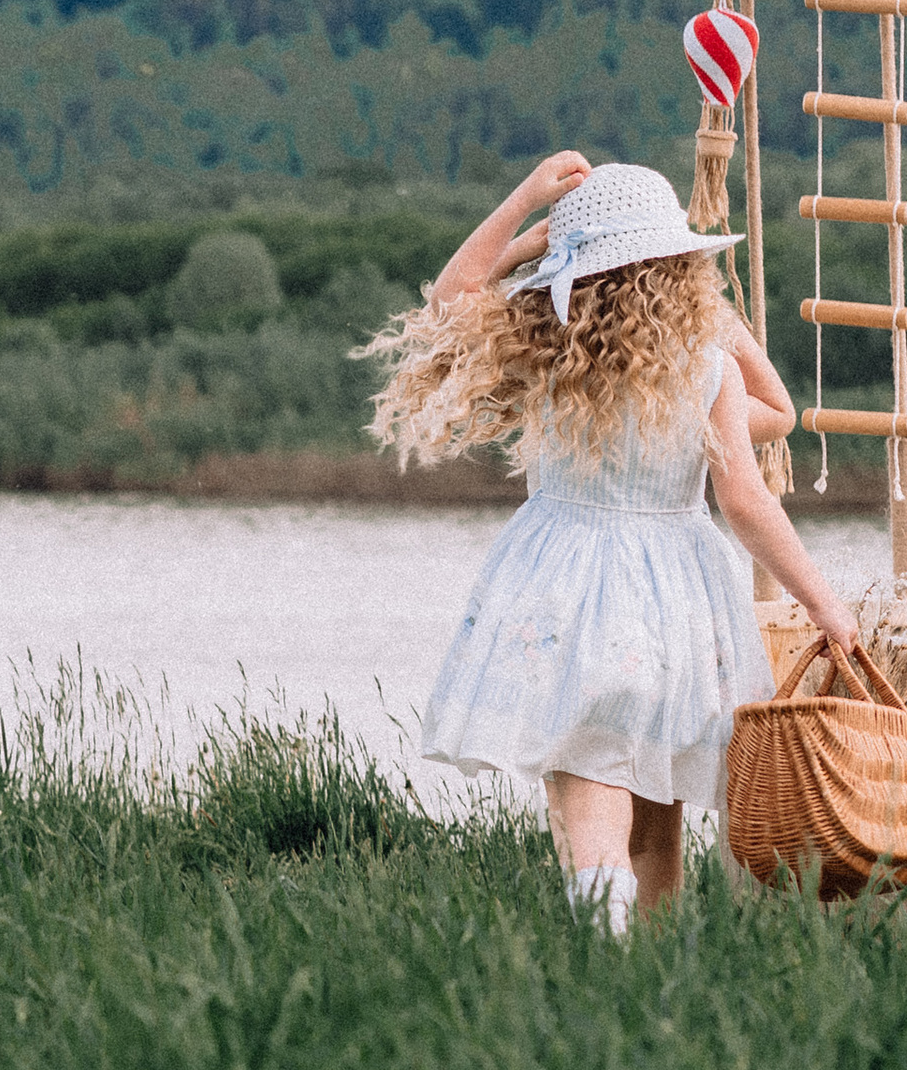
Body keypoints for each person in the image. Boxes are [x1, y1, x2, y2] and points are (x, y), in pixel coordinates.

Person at [366, 150, 860, 928]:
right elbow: (771, 435)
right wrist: (828, 605)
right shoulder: (705, 371)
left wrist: (526, 220)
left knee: (591, 812)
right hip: (678, 606)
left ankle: (604, 958)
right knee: (657, 832)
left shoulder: (544, 347)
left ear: (575, 263)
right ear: (674, 264)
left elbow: (446, 301)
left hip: (567, 591)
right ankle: (649, 983)